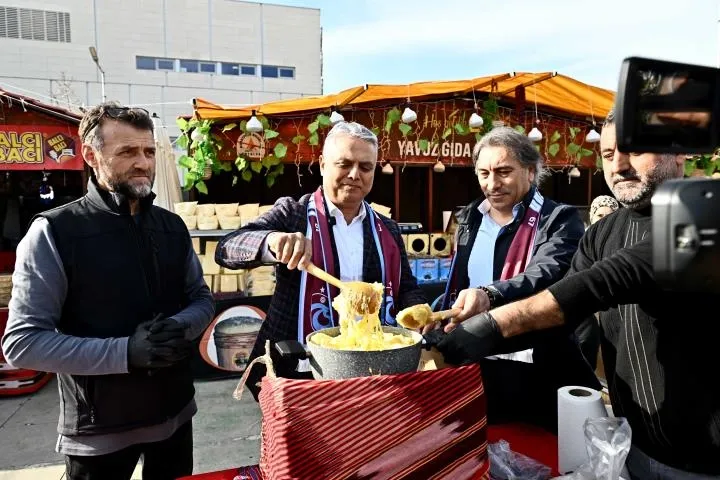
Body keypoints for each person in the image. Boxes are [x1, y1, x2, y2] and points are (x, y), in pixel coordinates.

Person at [437, 109, 720, 479]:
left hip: (707, 462)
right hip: (631, 447)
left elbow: (602, 282)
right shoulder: (603, 233)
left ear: (678, 152)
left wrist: (491, 323)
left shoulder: (706, 217)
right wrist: (460, 339)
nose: (619, 166)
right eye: (608, 154)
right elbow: (560, 316)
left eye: (634, 150)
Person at [1, 102, 215, 480]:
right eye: (128, 152)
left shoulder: (172, 227)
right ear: (91, 155)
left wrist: (179, 327)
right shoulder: (55, 232)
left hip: (176, 417)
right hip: (99, 433)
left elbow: (201, 298)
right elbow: (22, 343)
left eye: (149, 151)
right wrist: (125, 352)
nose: (143, 163)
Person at [216, 121, 426, 398]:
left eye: (365, 167)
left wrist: (418, 313)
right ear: (323, 164)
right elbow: (227, 248)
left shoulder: (387, 229)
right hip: (297, 368)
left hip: (372, 367)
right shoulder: (294, 213)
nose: (354, 174)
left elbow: (406, 287)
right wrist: (272, 241)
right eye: (344, 164)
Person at [437, 127, 598, 431]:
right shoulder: (470, 219)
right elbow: (462, 284)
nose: (492, 184)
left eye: (504, 172)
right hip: (477, 364)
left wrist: (489, 294)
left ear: (531, 171)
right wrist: (437, 312)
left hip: (537, 370)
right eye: (484, 173)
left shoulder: (558, 220)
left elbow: (545, 275)